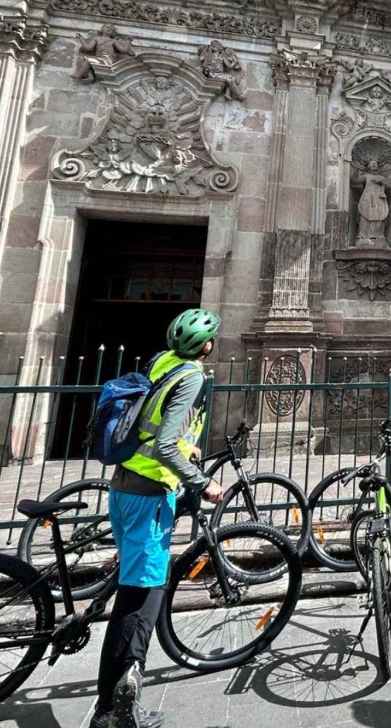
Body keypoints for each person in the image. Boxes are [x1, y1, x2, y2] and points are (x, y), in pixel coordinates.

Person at [92, 309, 227, 728]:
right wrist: (202, 481)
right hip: (149, 496)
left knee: (136, 588)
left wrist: (186, 447)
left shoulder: (161, 362)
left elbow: (152, 423)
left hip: (124, 485)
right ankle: (113, 711)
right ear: (206, 346)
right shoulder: (191, 376)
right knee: (140, 600)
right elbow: (165, 444)